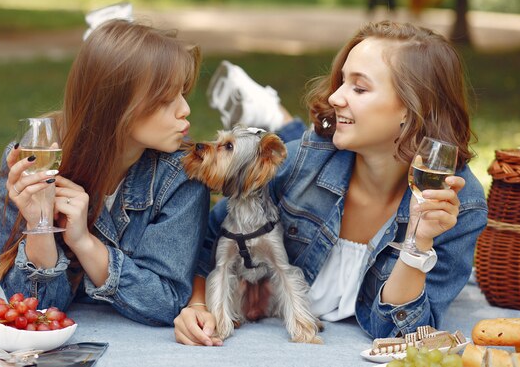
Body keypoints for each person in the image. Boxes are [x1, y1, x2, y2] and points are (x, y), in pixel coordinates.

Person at [174, 20, 487, 345]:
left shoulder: (458, 206)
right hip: (313, 155)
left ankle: (272, 113)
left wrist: (417, 243)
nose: (335, 97)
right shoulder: (300, 163)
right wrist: (198, 305)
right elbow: (209, 241)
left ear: (412, 108)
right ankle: (273, 116)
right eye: (341, 82)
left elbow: (404, 334)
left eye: (359, 88)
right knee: (302, 150)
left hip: (320, 154)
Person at [0, 18, 210, 326]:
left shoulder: (183, 176)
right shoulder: (32, 161)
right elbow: (33, 310)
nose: (185, 109)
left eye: (183, 93)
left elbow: (166, 301)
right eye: (165, 99)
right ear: (114, 105)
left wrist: (84, 242)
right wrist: (39, 224)